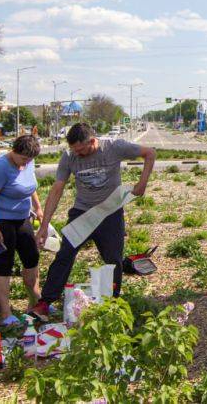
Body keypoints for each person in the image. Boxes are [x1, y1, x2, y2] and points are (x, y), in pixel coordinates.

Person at [29, 122, 156, 321]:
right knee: (65, 254)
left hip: (110, 213)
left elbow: (150, 153)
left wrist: (142, 184)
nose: (78, 154)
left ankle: (113, 305)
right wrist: (44, 225)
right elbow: (57, 189)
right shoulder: (69, 156)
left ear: (92, 141)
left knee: (112, 260)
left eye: (82, 150)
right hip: (82, 213)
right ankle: (45, 302)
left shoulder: (114, 147)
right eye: (74, 150)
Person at [0, 134, 43, 325]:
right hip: (1, 221)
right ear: (14, 151)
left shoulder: (28, 162)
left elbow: (30, 187)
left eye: (30, 160)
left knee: (32, 259)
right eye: (23, 158)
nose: (25, 163)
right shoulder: (1, 168)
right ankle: (6, 314)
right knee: (5, 265)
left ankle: (35, 303)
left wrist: (38, 207)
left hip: (22, 218)